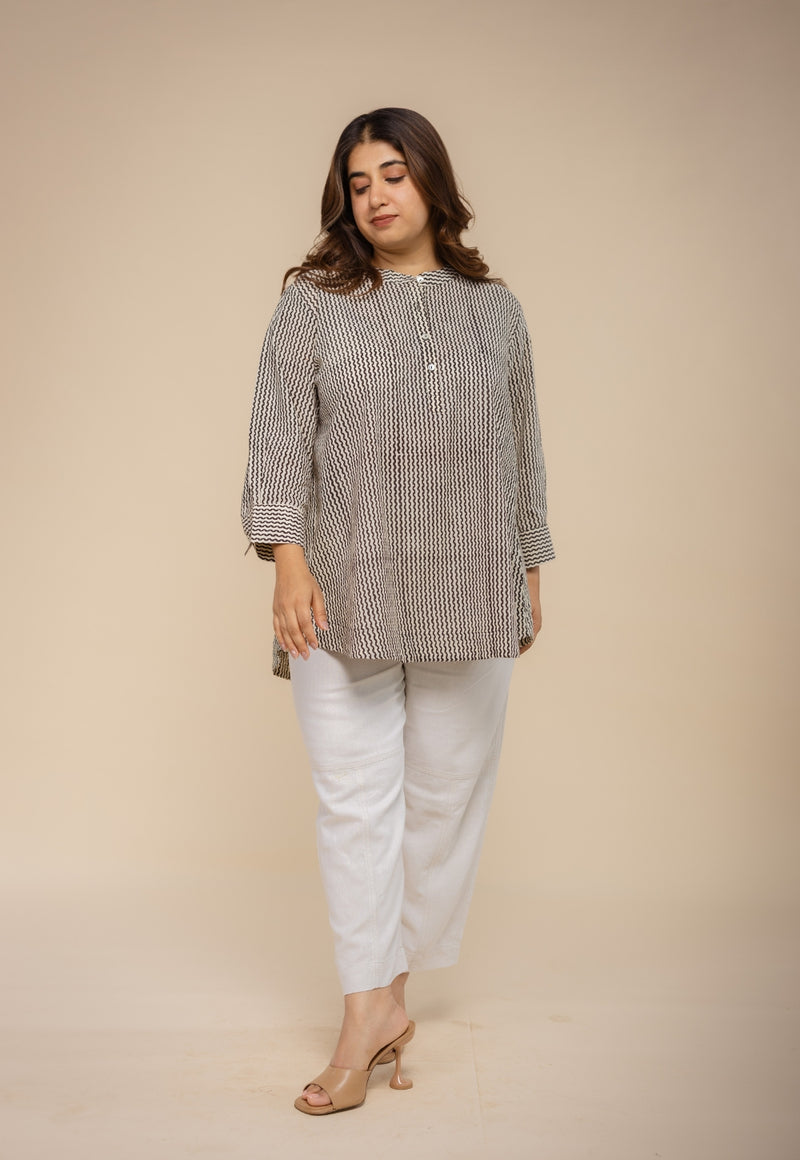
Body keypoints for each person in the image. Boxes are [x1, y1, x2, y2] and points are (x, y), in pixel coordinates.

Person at [241, 107, 554, 1115]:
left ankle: (390, 998)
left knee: (445, 799)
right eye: (357, 180)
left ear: (431, 181)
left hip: (470, 581)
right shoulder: (312, 305)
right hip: (339, 587)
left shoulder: (494, 311)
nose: (374, 194)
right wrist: (287, 562)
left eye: (392, 174)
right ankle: (360, 1012)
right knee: (352, 802)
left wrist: (528, 565)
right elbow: (278, 439)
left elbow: (522, 445)